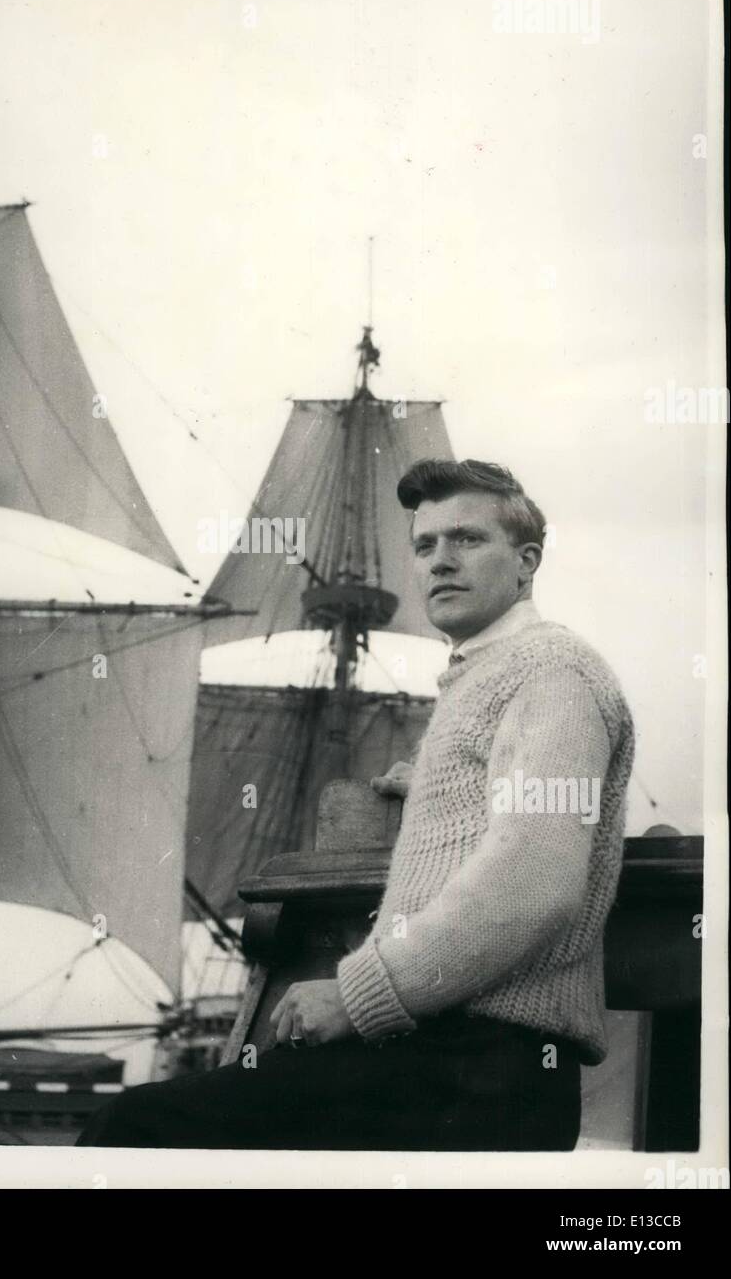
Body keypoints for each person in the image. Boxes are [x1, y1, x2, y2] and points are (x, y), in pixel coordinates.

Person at [76, 459, 635, 1150]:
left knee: (132, 1128)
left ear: (526, 563)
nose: (439, 562)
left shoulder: (553, 672)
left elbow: (534, 882)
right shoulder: (492, 678)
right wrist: (435, 787)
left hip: (479, 1070)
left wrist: (355, 993)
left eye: (465, 540)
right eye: (424, 545)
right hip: (439, 1062)